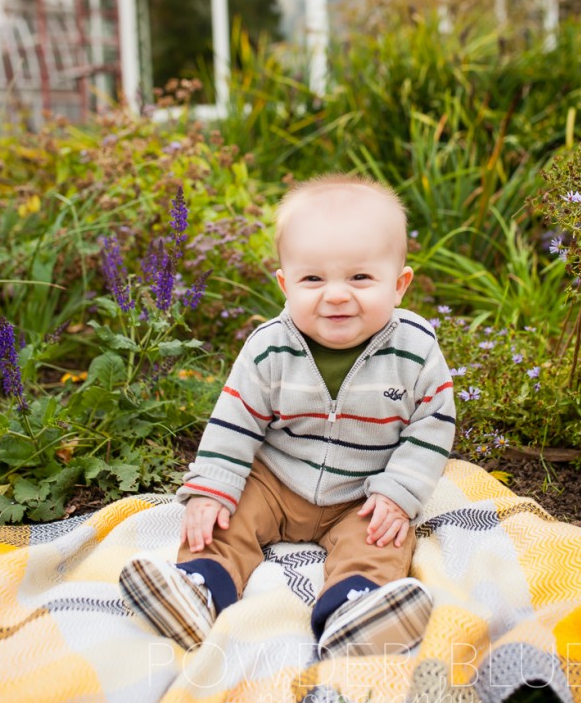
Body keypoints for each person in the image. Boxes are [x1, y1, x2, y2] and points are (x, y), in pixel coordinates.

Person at [119, 173, 455, 659]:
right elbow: (234, 421)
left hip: (361, 492)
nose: (336, 295)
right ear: (285, 283)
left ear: (399, 284)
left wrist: (398, 492)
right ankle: (198, 588)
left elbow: (432, 427)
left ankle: (353, 608)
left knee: (383, 537)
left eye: (360, 277)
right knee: (220, 519)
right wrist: (212, 488)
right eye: (313, 279)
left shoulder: (416, 351)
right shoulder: (268, 349)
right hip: (276, 481)